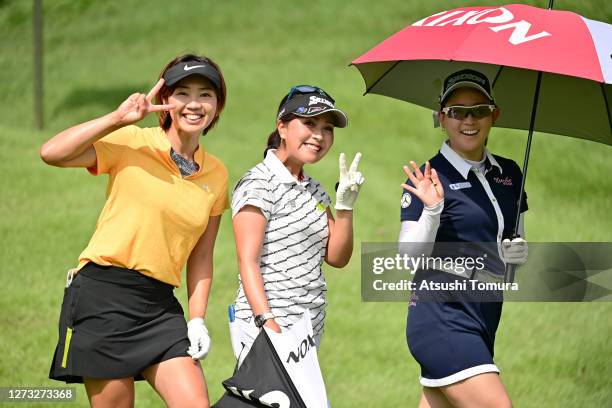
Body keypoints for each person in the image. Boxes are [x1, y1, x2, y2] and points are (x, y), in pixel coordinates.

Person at [42, 54, 228, 407]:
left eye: (205, 94)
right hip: (103, 295)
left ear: (217, 106)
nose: (193, 103)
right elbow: (52, 153)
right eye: (182, 93)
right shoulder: (133, 141)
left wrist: (198, 320)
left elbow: (202, 256)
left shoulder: (216, 174)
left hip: (159, 306)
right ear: (166, 102)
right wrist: (116, 118)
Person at [399, 69, 528, 408]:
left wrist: (516, 256)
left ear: (494, 115)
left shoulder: (511, 173)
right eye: (457, 112)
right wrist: (432, 210)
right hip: (442, 318)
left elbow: (510, 263)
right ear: (442, 118)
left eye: (479, 110)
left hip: (484, 318)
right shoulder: (428, 177)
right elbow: (407, 259)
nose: (469, 120)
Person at [230, 85, 364, 356]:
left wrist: (344, 208)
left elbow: (337, 257)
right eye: (309, 123)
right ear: (282, 127)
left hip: (307, 330)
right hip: (268, 328)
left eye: (327, 128)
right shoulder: (259, 182)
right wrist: (266, 322)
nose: (319, 135)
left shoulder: (315, 189)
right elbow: (248, 261)